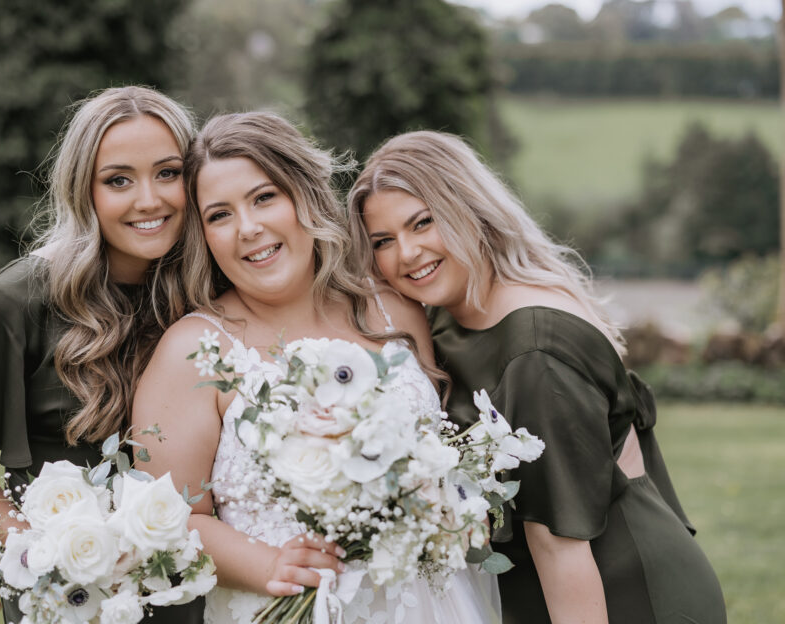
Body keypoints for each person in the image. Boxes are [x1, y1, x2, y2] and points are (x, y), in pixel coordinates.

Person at [131, 112, 502, 623]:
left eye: (265, 197)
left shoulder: (393, 311)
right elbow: (163, 517)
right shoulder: (193, 351)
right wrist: (267, 564)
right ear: (204, 236)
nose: (249, 228)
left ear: (304, 195)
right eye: (219, 215)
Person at [347, 130, 727, 624]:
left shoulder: (532, 351)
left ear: (469, 208)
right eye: (383, 241)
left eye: (423, 222)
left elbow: (560, 545)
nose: (407, 253)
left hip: (617, 592)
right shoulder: (451, 313)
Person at [0, 86, 203, 624]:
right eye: (118, 180)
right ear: (83, 190)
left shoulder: (210, 296)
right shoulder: (15, 302)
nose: (150, 199)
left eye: (168, 173)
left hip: (193, 591)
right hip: (75, 600)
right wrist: (44, 553)